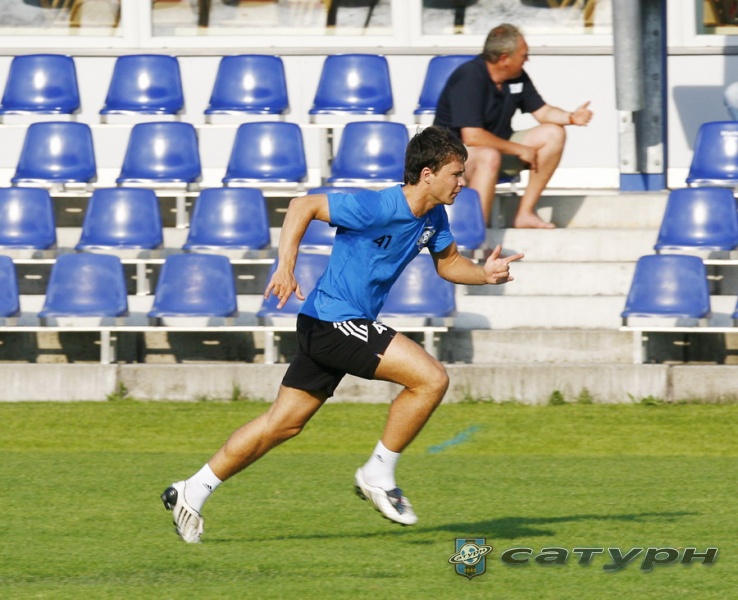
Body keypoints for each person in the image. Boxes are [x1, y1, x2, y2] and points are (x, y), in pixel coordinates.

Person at [161, 125, 524, 543]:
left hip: (329, 324)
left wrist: (483, 274)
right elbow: (302, 205)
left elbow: (449, 263)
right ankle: (377, 473)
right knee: (431, 379)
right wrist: (286, 266)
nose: (462, 182)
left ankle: (192, 490)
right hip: (334, 322)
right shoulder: (378, 206)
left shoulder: (435, 217)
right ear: (427, 175)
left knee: (282, 425)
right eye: (456, 173)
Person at [433, 22, 594, 229]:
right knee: (488, 155)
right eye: (524, 55)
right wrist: (518, 149)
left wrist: (571, 117)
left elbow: (543, 112)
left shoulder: (516, 77)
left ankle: (525, 213)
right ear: (504, 58)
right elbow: (472, 137)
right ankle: (478, 237)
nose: (527, 59)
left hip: (495, 149)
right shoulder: (469, 77)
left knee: (554, 133)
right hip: (454, 156)